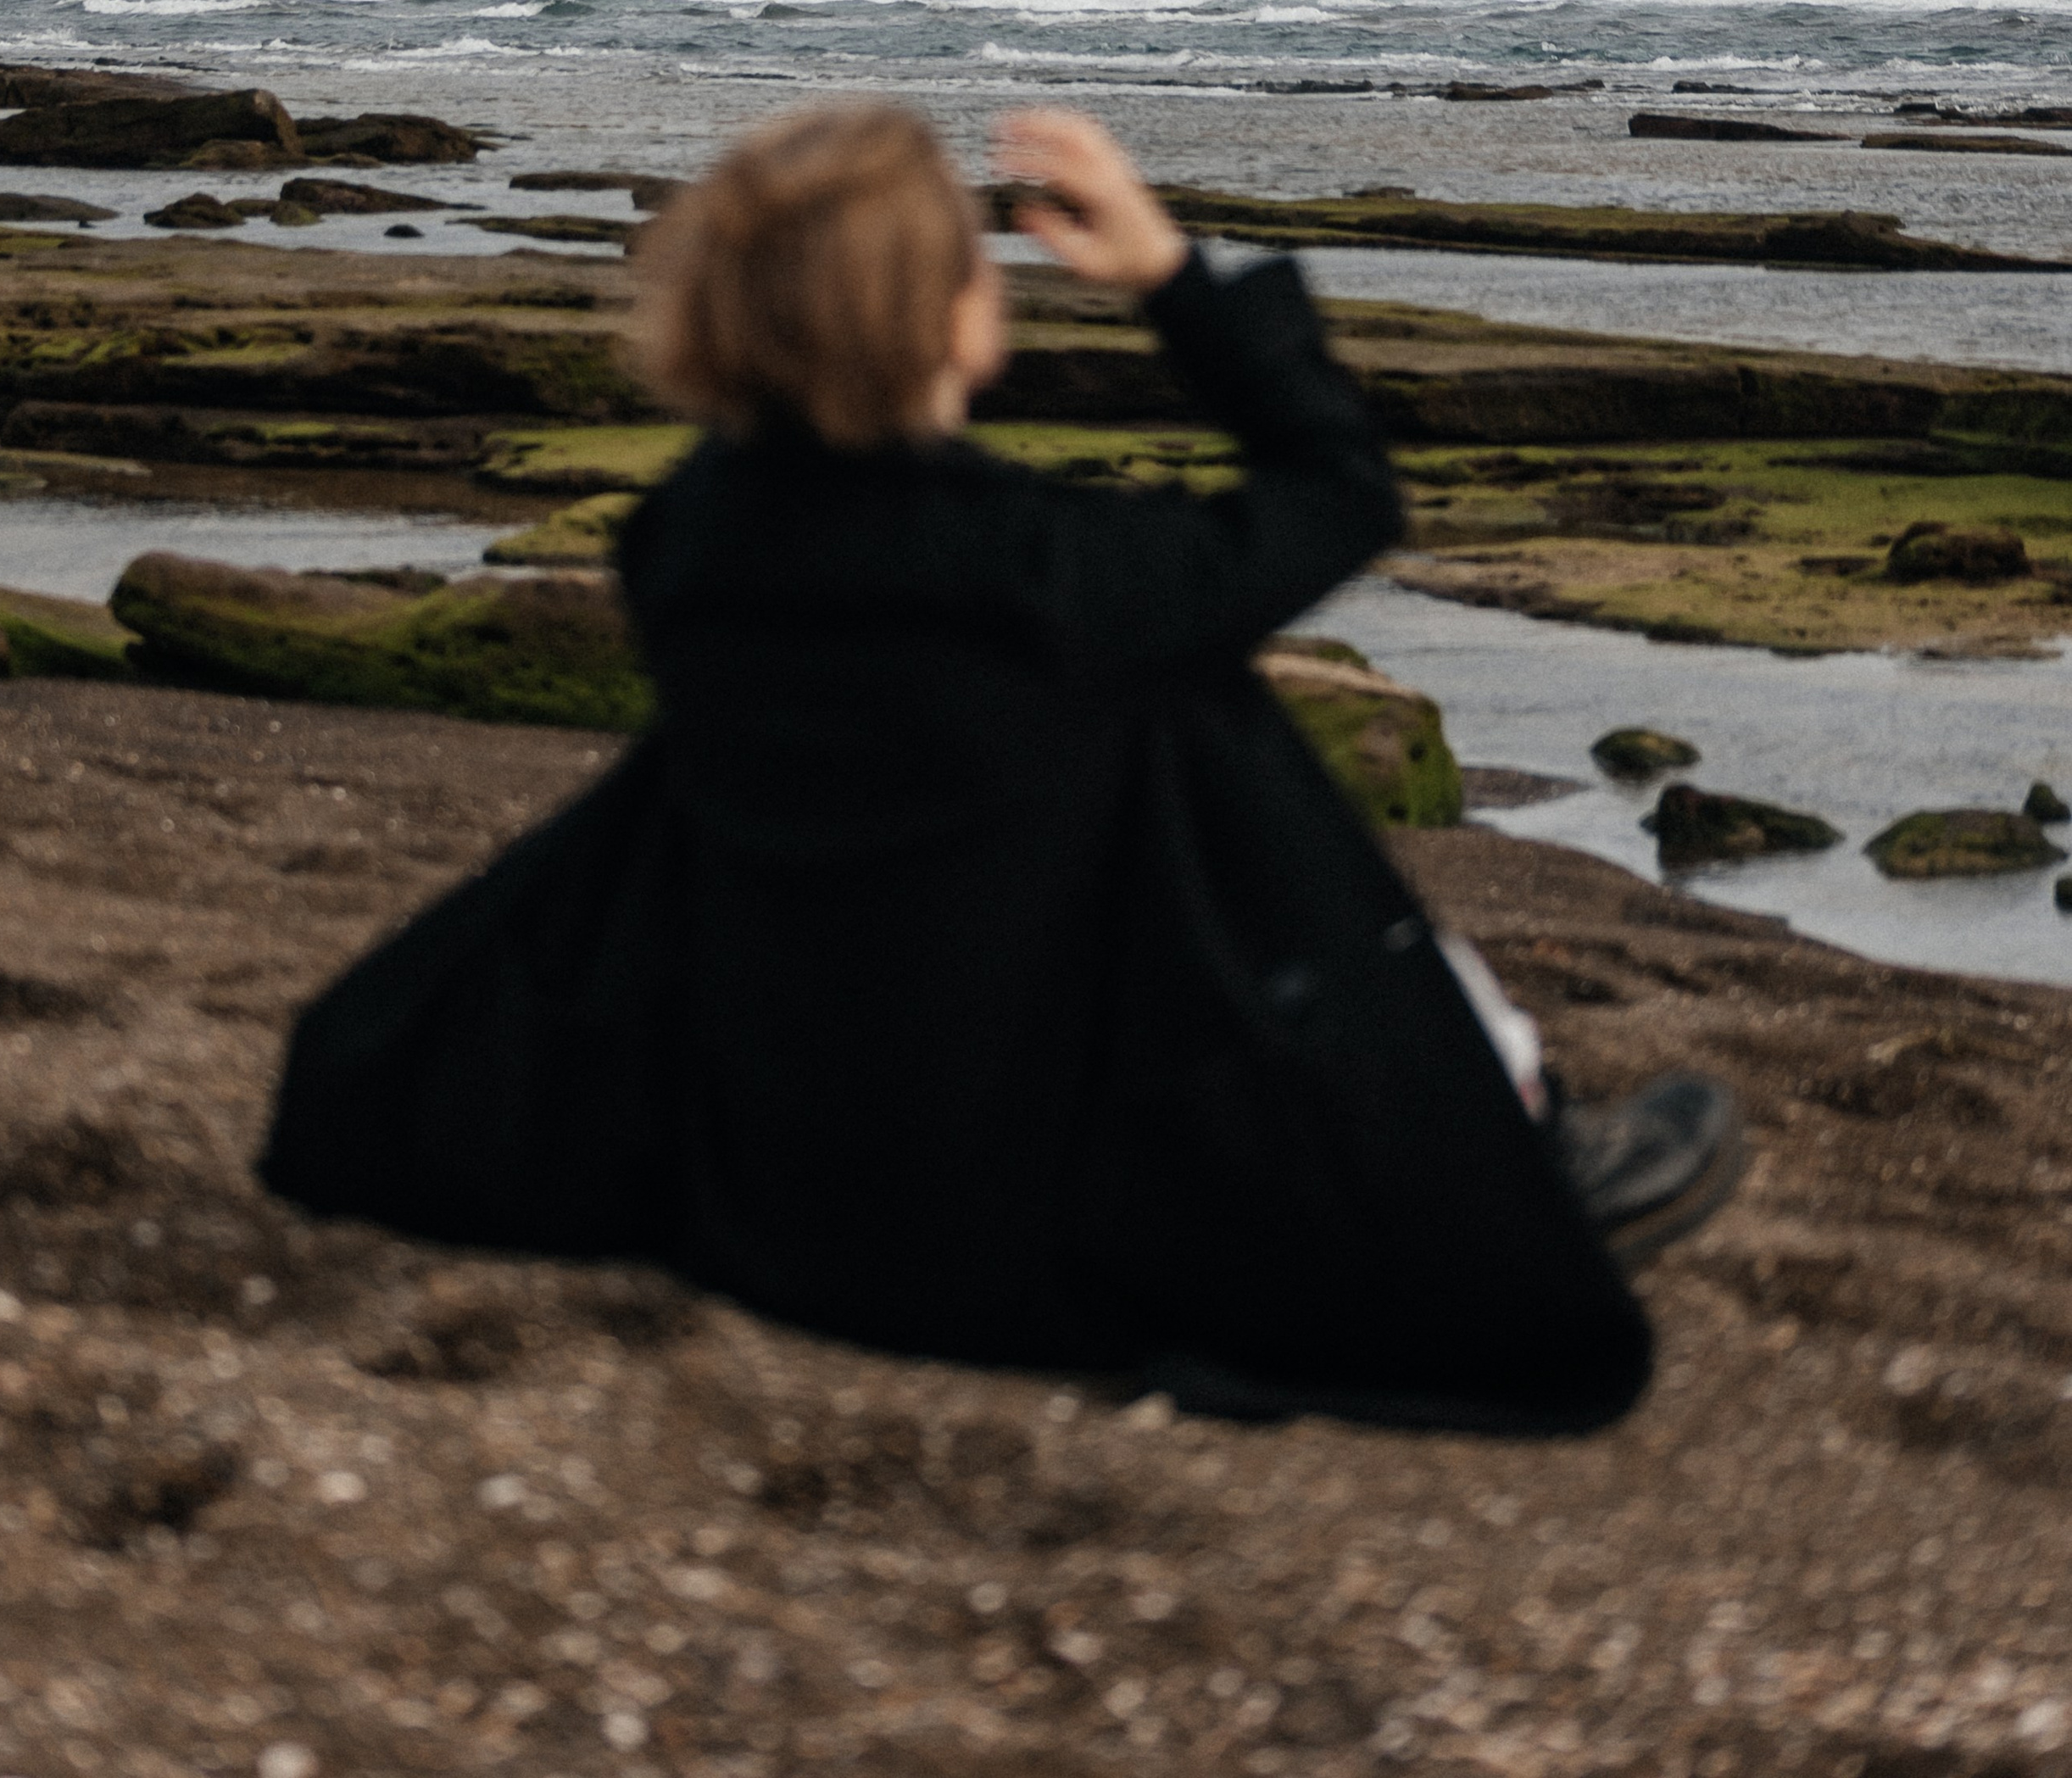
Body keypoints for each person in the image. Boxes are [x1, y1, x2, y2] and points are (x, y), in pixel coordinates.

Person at [261, 104, 1741, 1433]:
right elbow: (1337, 491)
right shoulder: (1044, 572)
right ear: (950, 322)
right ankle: (1518, 1122)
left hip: (798, 1153)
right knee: (1192, 710)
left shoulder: (687, 546)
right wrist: (1169, 273)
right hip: (1036, 1175)